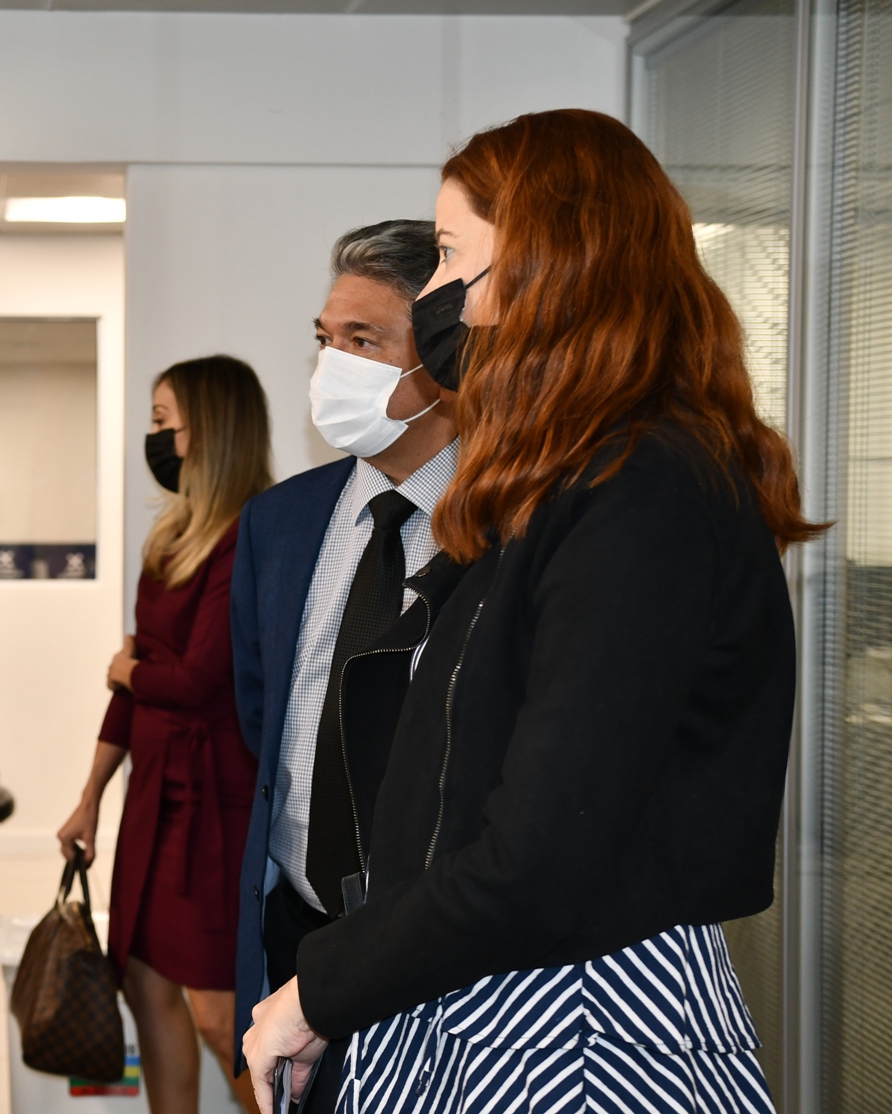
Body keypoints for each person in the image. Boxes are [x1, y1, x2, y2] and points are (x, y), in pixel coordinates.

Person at [242, 109, 822, 1114]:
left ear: (545, 265)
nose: (436, 299)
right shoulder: (570, 485)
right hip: (487, 994)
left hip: (576, 1021)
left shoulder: (643, 491)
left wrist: (319, 993)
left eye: (449, 258)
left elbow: (540, 853)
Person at [228, 220, 456, 1072]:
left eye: (364, 340)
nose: (333, 365)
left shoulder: (510, 525)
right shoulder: (280, 521)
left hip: (439, 946)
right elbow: (261, 716)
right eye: (326, 340)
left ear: (445, 351)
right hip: (297, 925)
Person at [57, 355, 271, 1114]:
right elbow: (139, 680)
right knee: (144, 984)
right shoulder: (171, 538)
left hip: (217, 808)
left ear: (207, 429)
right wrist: (89, 799)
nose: (153, 436)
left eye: (161, 421)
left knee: (223, 1018)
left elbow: (199, 679)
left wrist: (129, 672)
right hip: (153, 803)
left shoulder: (252, 535)